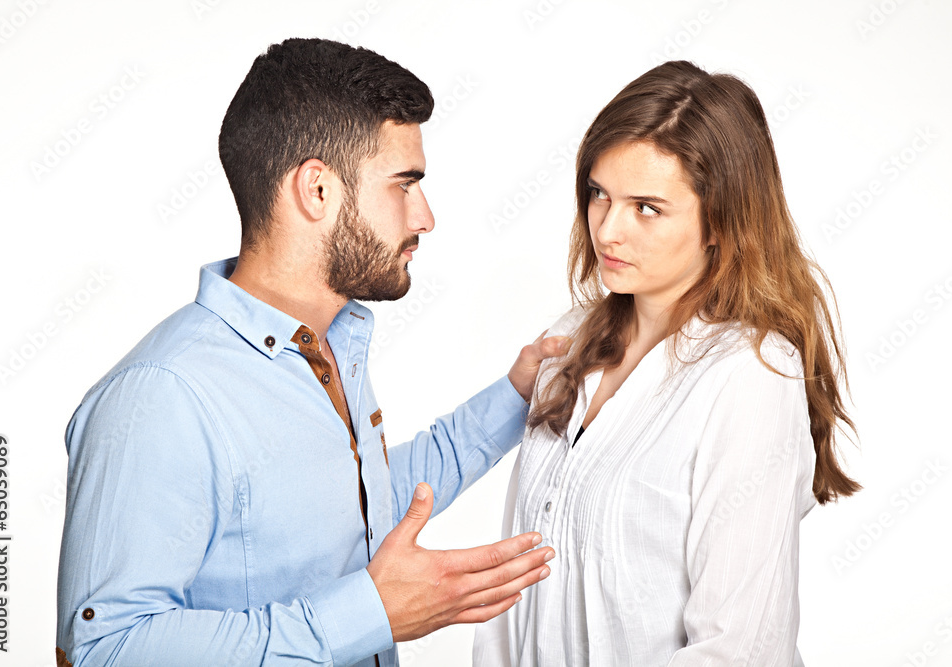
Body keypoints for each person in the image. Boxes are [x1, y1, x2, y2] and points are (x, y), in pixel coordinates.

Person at [55, 38, 566, 667]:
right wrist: (369, 616)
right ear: (317, 190)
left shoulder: (328, 344)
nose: (425, 217)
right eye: (404, 185)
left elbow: (356, 503)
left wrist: (519, 395)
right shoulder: (163, 395)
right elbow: (103, 651)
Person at [473, 60, 861, 666]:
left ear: (721, 222)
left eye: (647, 207)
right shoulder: (567, 340)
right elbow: (512, 590)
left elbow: (737, 650)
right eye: (599, 194)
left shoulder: (751, 376)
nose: (608, 229)